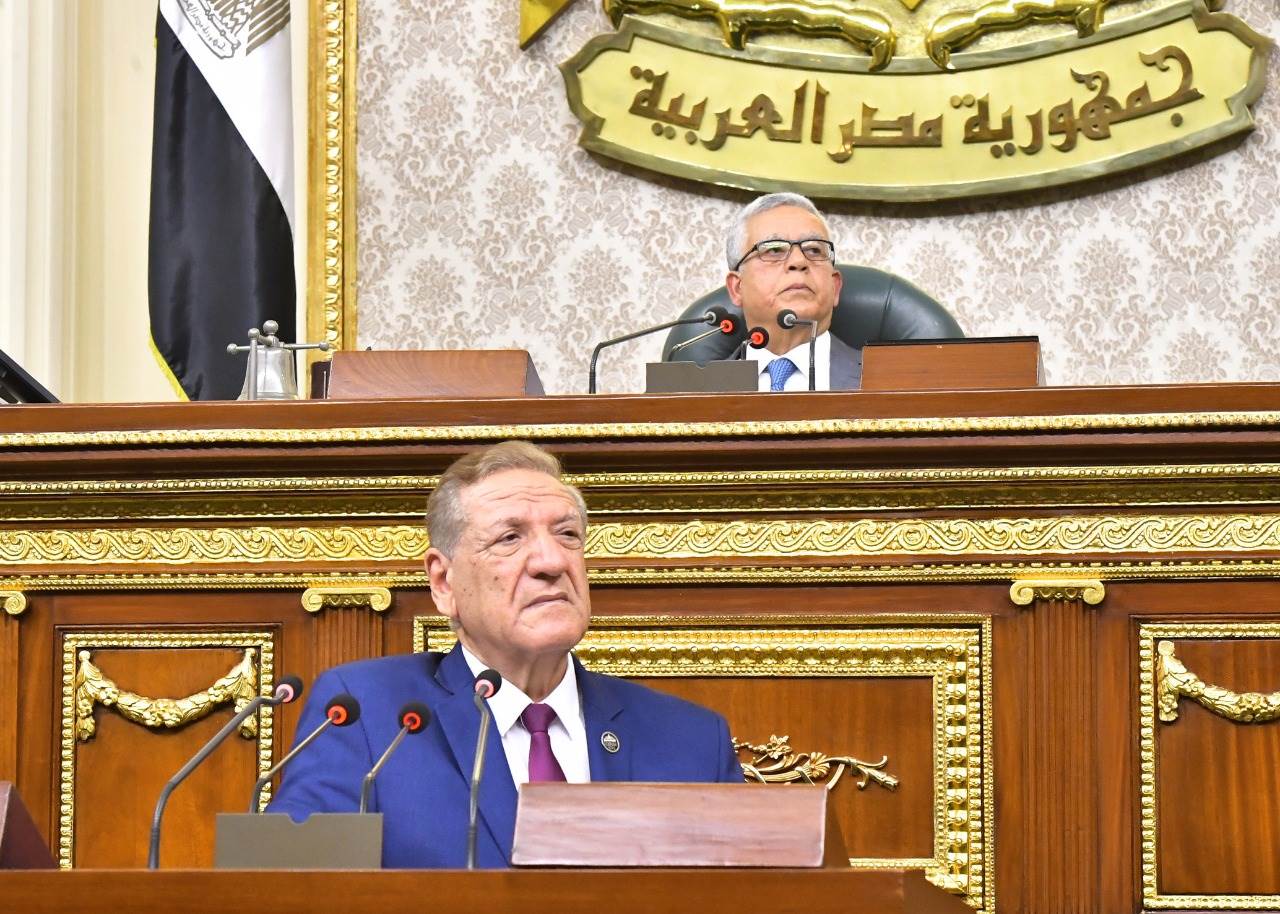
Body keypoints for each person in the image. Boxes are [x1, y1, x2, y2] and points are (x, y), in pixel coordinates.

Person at [267, 441, 742, 868]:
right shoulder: (368, 717)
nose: (551, 562)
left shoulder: (693, 741)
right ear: (444, 581)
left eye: (567, 534)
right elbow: (292, 892)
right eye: (510, 538)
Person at [725, 192, 860, 390]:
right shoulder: (694, 394)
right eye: (774, 250)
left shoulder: (889, 381)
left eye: (814, 250)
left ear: (835, 286)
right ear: (737, 288)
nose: (798, 261)